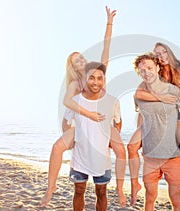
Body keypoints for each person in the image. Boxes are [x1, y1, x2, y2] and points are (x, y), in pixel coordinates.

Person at [41, 7, 126, 207]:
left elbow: (106, 48)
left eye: (81, 57)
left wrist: (109, 23)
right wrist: (69, 134)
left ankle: (121, 189)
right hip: (80, 126)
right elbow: (67, 108)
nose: (81, 60)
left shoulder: (95, 72)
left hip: (102, 123)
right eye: (76, 60)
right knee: (57, 148)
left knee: (118, 153)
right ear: (73, 67)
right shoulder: (73, 85)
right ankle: (50, 187)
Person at [128, 8, 180, 205]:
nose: (161, 56)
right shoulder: (156, 75)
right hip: (156, 118)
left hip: (177, 116)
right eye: (157, 54)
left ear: (169, 54)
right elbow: (140, 97)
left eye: (163, 52)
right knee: (136, 140)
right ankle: (135, 181)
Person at [133, 53, 180, 210]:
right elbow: (141, 117)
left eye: (150, 68)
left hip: (172, 157)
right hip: (150, 157)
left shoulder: (173, 90)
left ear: (158, 68)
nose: (146, 73)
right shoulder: (140, 95)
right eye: (142, 70)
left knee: (175, 198)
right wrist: (141, 139)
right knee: (150, 197)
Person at [69, 61, 122, 211]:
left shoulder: (112, 101)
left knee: (102, 192)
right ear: (85, 78)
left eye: (100, 78)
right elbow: (67, 122)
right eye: (91, 77)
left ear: (104, 80)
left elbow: (118, 122)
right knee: (79, 191)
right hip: (80, 156)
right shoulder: (75, 100)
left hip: (102, 157)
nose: (96, 82)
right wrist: (70, 140)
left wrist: (113, 139)